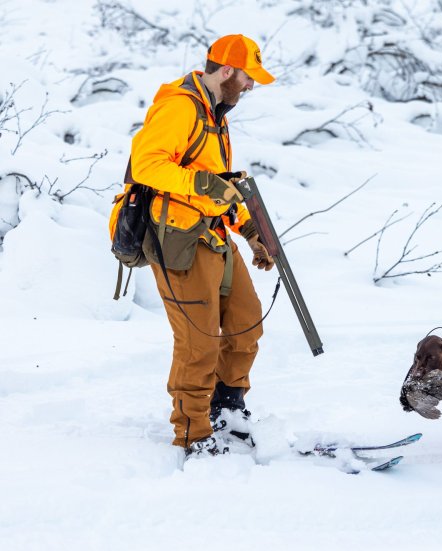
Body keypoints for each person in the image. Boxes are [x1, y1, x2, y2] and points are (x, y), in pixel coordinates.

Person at [126, 34, 276, 458]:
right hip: (179, 241)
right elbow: (147, 164)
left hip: (215, 237)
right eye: (248, 77)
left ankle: (228, 407)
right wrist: (204, 184)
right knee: (199, 342)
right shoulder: (180, 106)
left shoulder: (216, 114)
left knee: (247, 323)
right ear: (227, 71)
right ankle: (192, 431)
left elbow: (220, 185)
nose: (251, 86)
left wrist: (249, 232)